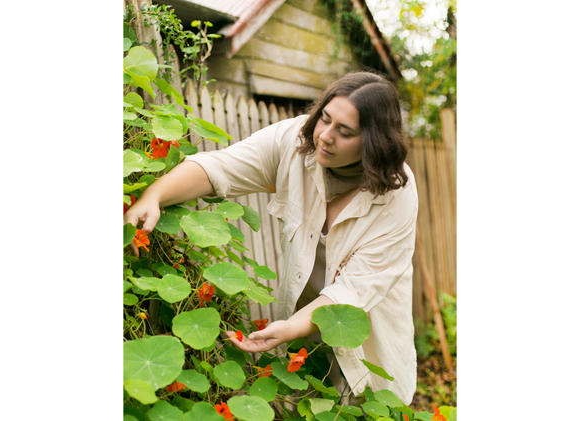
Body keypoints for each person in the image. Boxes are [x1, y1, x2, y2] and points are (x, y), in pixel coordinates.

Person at [122, 71, 419, 404]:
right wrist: (154, 194)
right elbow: (221, 167)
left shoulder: (396, 195)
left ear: (373, 144)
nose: (324, 136)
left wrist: (289, 328)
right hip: (302, 350)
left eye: (345, 132)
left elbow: (353, 292)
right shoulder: (295, 140)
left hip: (369, 355)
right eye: (324, 118)